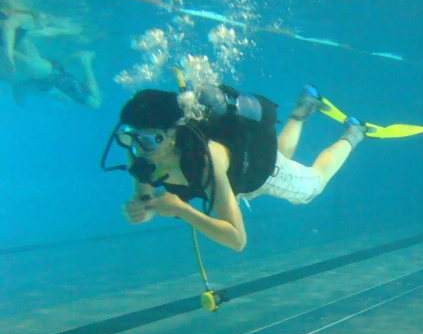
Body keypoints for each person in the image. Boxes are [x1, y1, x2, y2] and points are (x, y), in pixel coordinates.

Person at [103, 84, 370, 251]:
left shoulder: (208, 159)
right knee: (278, 155)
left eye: (146, 140)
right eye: (128, 138)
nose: (137, 149)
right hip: (250, 158)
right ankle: (303, 109)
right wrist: (142, 210)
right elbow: (148, 202)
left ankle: (354, 134)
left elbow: (237, 240)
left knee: (313, 186)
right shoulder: (140, 153)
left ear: (173, 134)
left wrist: (181, 209)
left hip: (257, 171)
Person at [0, 0, 101, 108]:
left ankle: (85, 61)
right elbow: (38, 32)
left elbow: (39, 31)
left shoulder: (20, 23)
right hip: (38, 77)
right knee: (62, 97)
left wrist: (67, 31)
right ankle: (55, 88)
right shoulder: (18, 29)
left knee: (95, 103)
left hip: (49, 74)